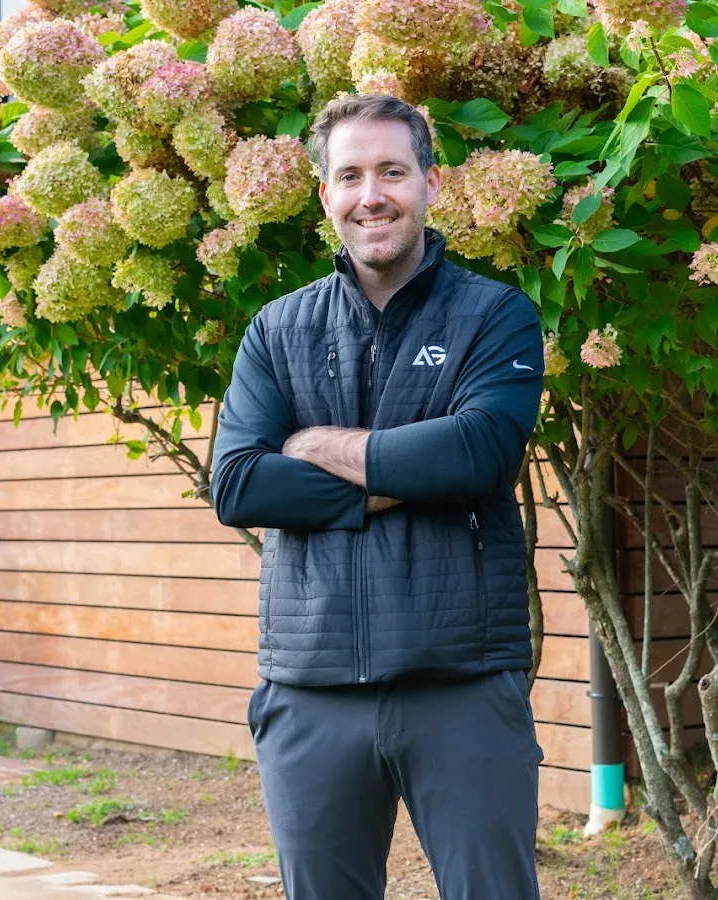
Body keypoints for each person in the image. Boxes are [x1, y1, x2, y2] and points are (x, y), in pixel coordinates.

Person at [210, 93, 545, 900]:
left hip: (461, 682)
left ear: (431, 182)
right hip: (310, 689)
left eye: (392, 171)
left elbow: (479, 454)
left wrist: (314, 447)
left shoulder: (495, 315)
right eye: (351, 175)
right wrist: (405, 474)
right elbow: (239, 483)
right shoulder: (277, 329)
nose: (372, 196)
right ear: (326, 192)